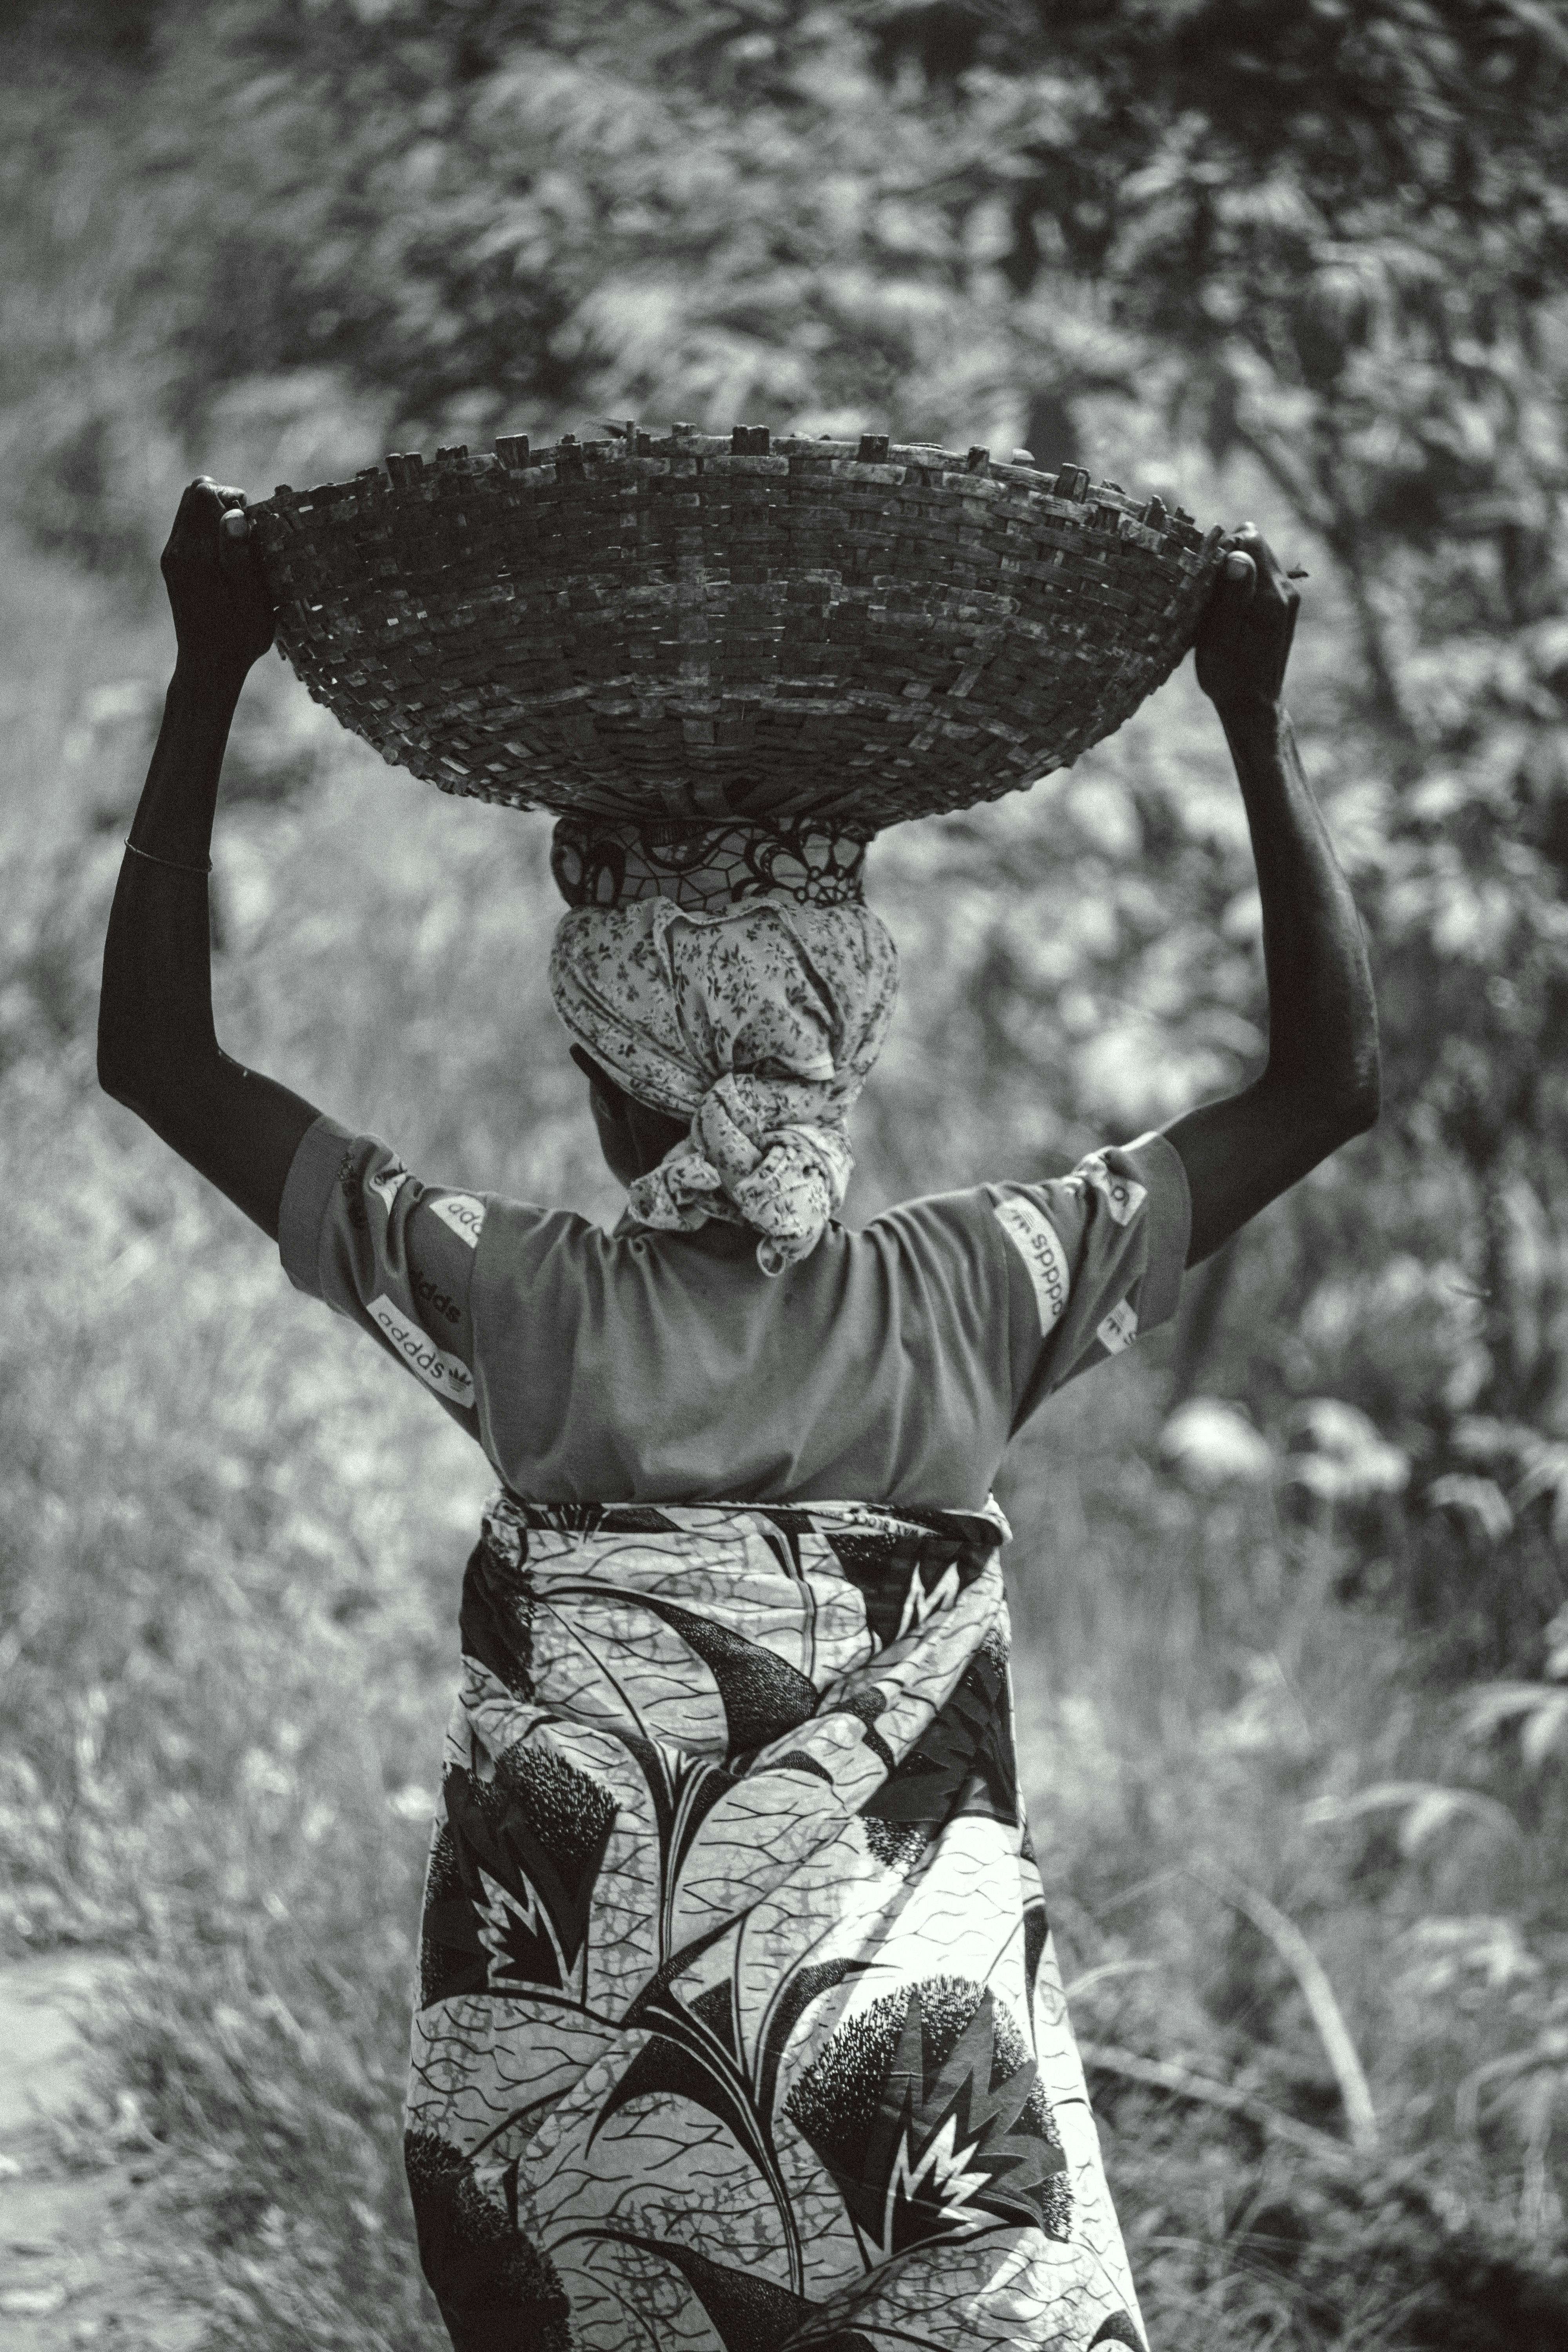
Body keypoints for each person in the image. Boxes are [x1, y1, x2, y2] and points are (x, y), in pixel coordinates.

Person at [98, 479, 1378, 2352]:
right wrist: (1252, 717)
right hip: (918, 2101)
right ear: (845, 1051)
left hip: (581, 2109)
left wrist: (209, 663)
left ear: (608, 1080)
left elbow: (155, 1057)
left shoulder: (514, 1302)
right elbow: (1328, 1080)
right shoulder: (984, 1288)